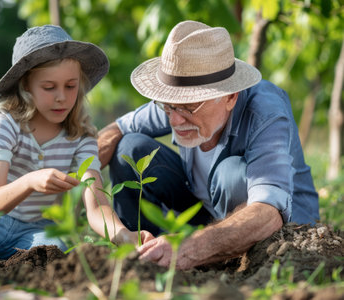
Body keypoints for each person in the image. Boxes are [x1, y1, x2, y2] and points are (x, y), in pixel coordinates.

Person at [0, 25, 152, 264]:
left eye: (70, 86)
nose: (62, 97)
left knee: (53, 257)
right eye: (49, 87)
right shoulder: (8, 123)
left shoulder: (82, 136)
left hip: (33, 227)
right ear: (26, 86)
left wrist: (124, 236)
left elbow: (97, 207)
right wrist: (31, 181)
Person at [98, 20, 319, 270]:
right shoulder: (178, 103)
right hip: (205, 219)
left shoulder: (265, 113)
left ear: (229, 96)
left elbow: (268, 212)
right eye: (168, 105)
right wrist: (81, 172)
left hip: (270, 232)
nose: (175, 119)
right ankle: (143, 257)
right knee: (129, 148)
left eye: (189, 107)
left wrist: (190, 248)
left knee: (231, 174)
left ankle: (229, 264)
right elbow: (115, 130)